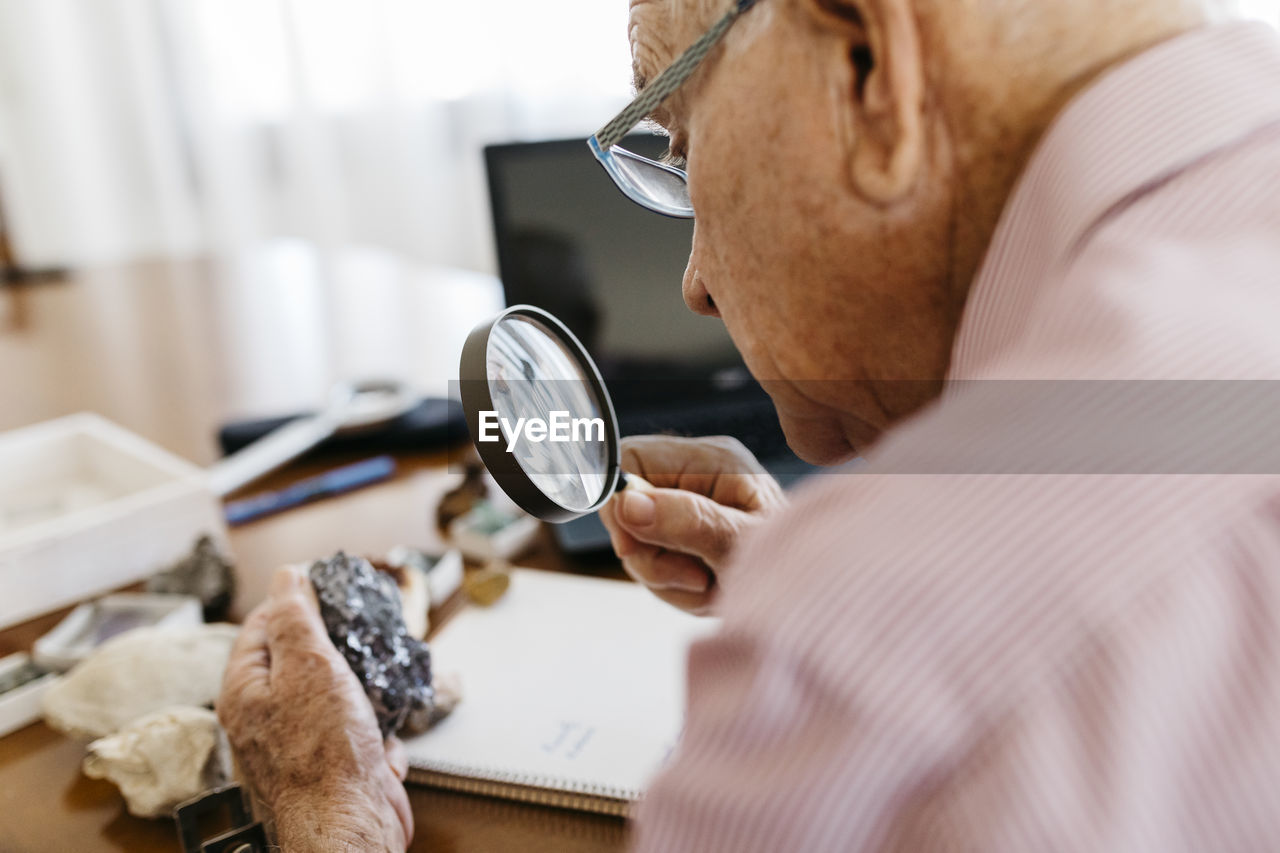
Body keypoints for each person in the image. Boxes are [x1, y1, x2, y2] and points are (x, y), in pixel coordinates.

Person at [219, 0, 1280, 848]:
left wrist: (333, 819)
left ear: (866, 60)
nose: (692, 286)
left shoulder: (881, 650)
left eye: (677, 147)